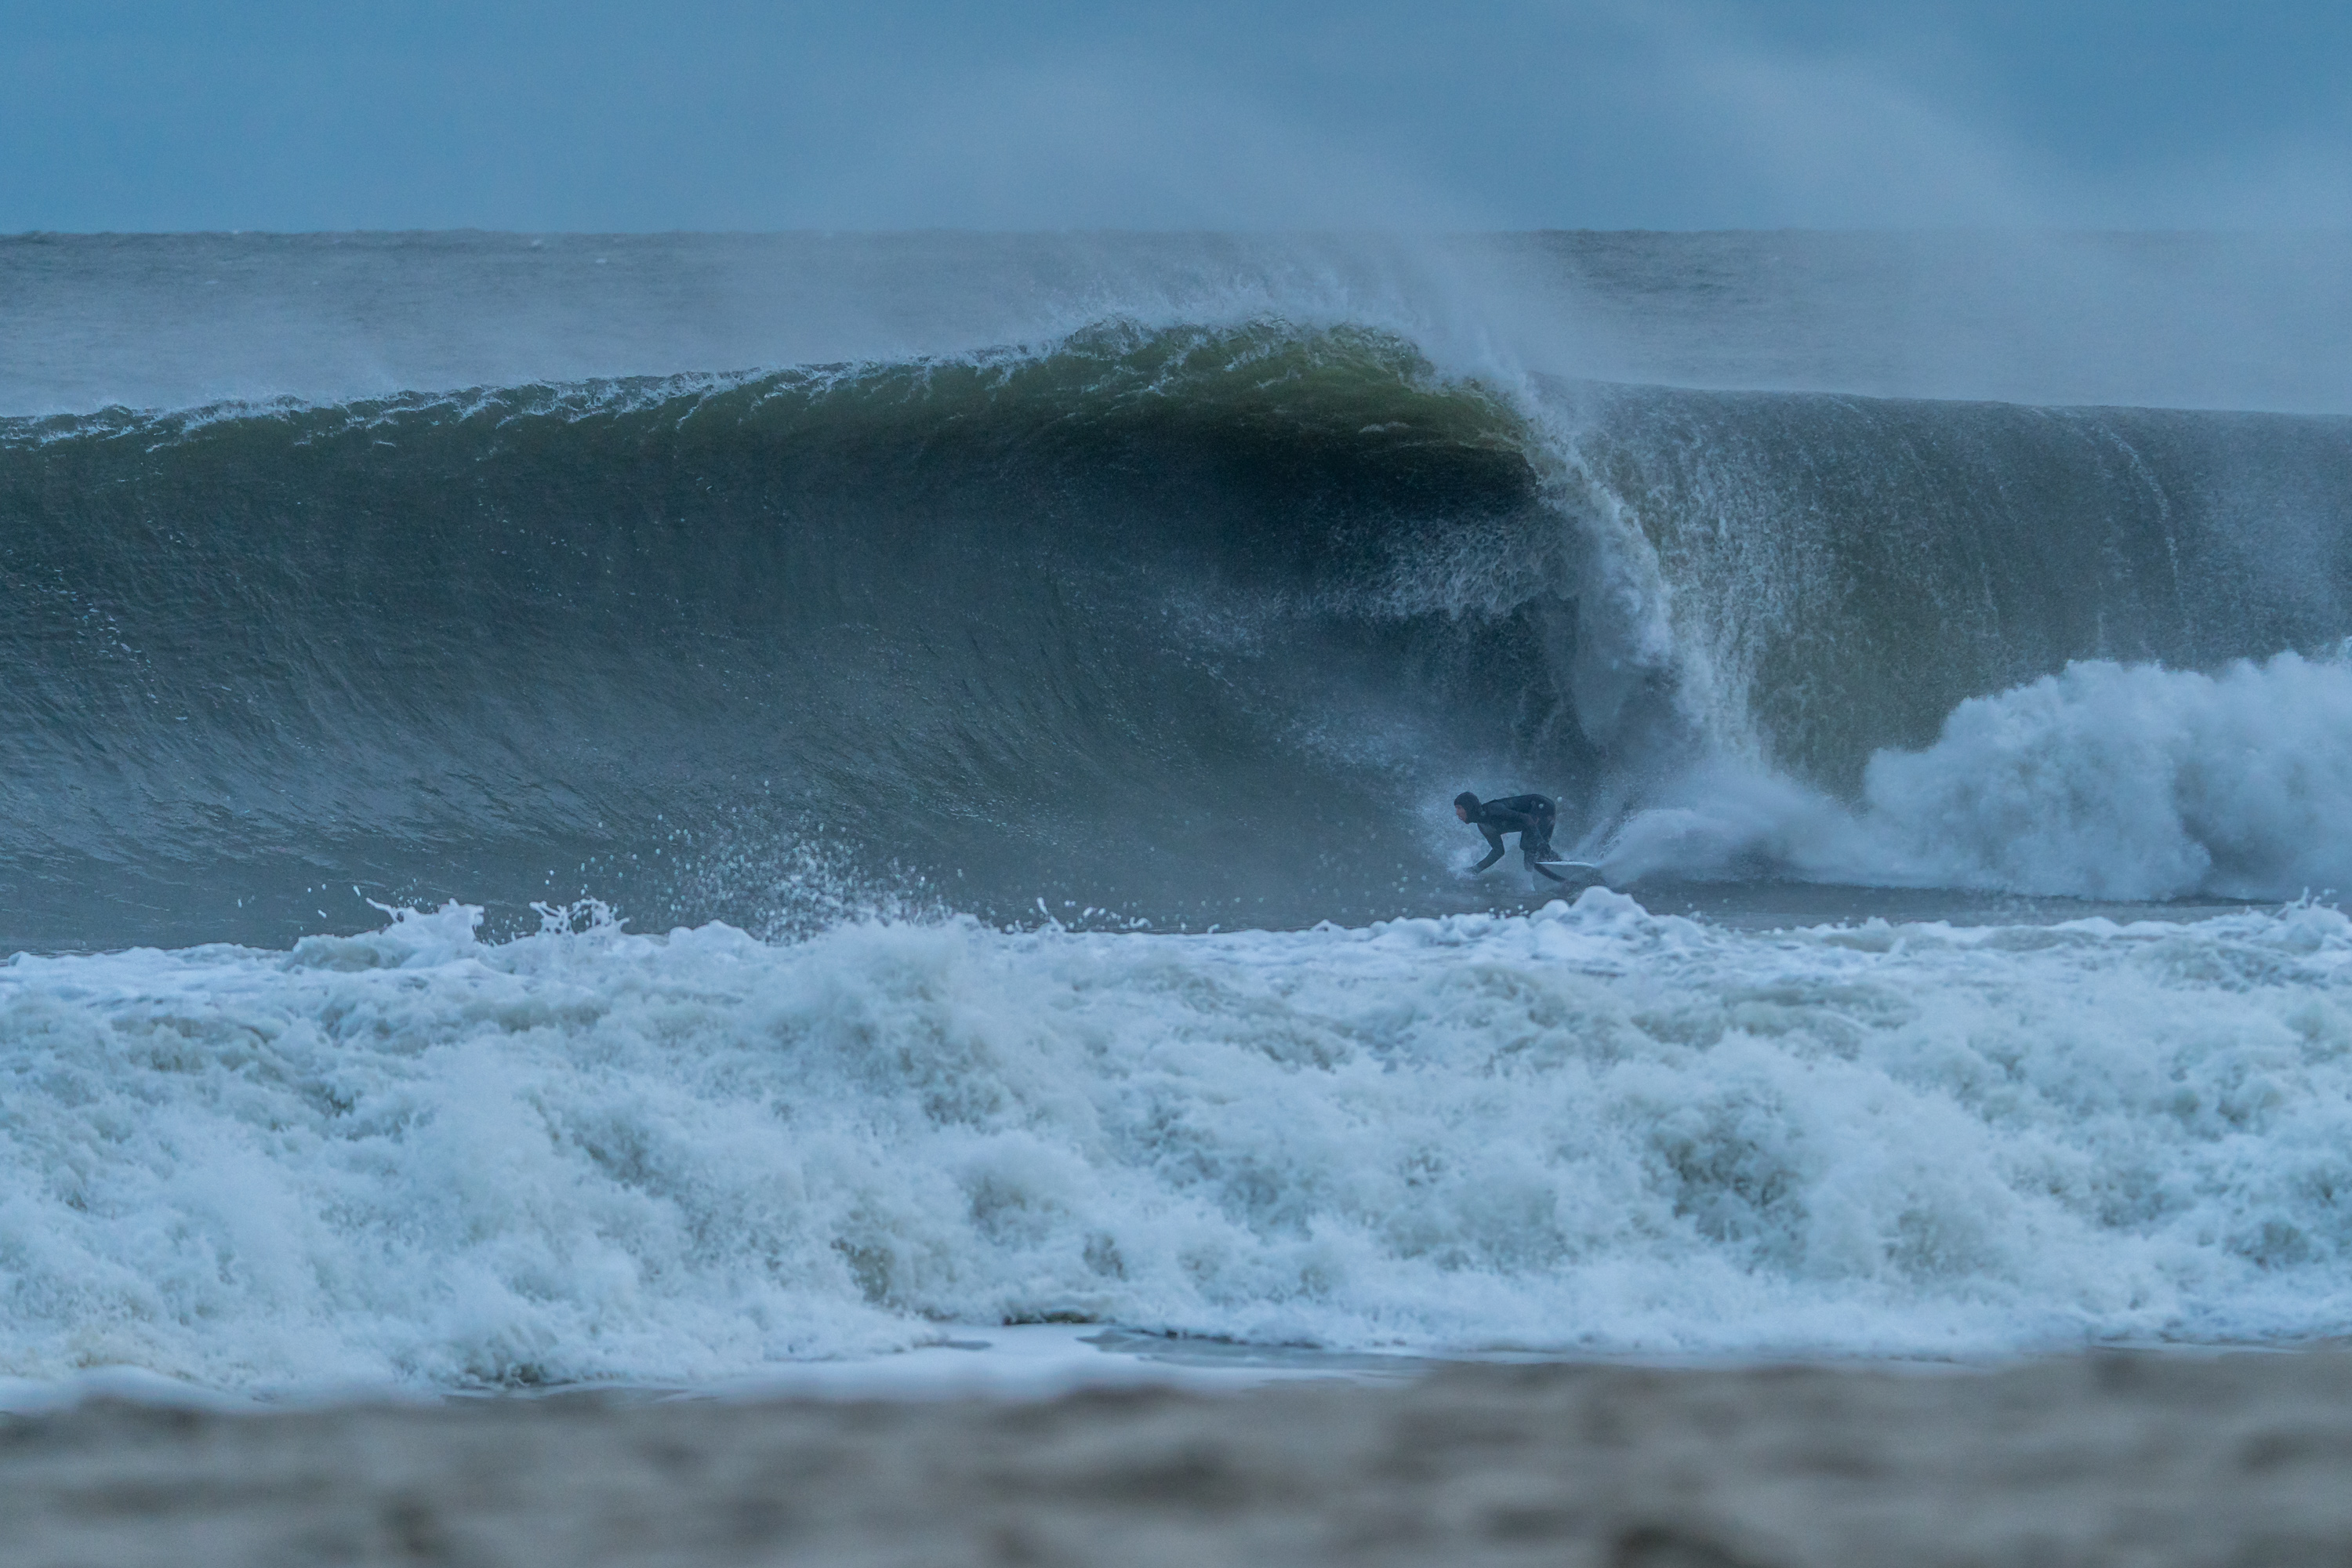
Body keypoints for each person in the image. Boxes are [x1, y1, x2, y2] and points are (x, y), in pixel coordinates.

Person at [1454, 791, 1566, 882]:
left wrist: (1540, 843)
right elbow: (1498, 851)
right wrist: (1476, 869)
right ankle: (1563, 875)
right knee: (1529, 861)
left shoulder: (1493, 810)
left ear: (1469, 807)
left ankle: (1562, 869)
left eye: (1459, 808)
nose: (1457, 813)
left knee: (1529, 847)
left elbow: (1527, 819)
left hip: (1541, 806)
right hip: (1537, 815)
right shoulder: (1484, 826)